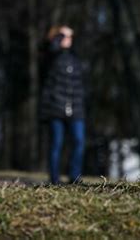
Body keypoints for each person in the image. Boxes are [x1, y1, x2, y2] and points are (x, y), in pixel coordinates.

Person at [40, 25, 86, 185]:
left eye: (70, 36)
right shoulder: (51, 57)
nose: (68, 39)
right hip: (55, 107)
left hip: (76, 107)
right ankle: (54, 179)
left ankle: (75, 177)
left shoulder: (75, 57)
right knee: (56, 144)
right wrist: (58, 36)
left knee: (79, 142)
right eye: (63, 36)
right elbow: (49, 49)